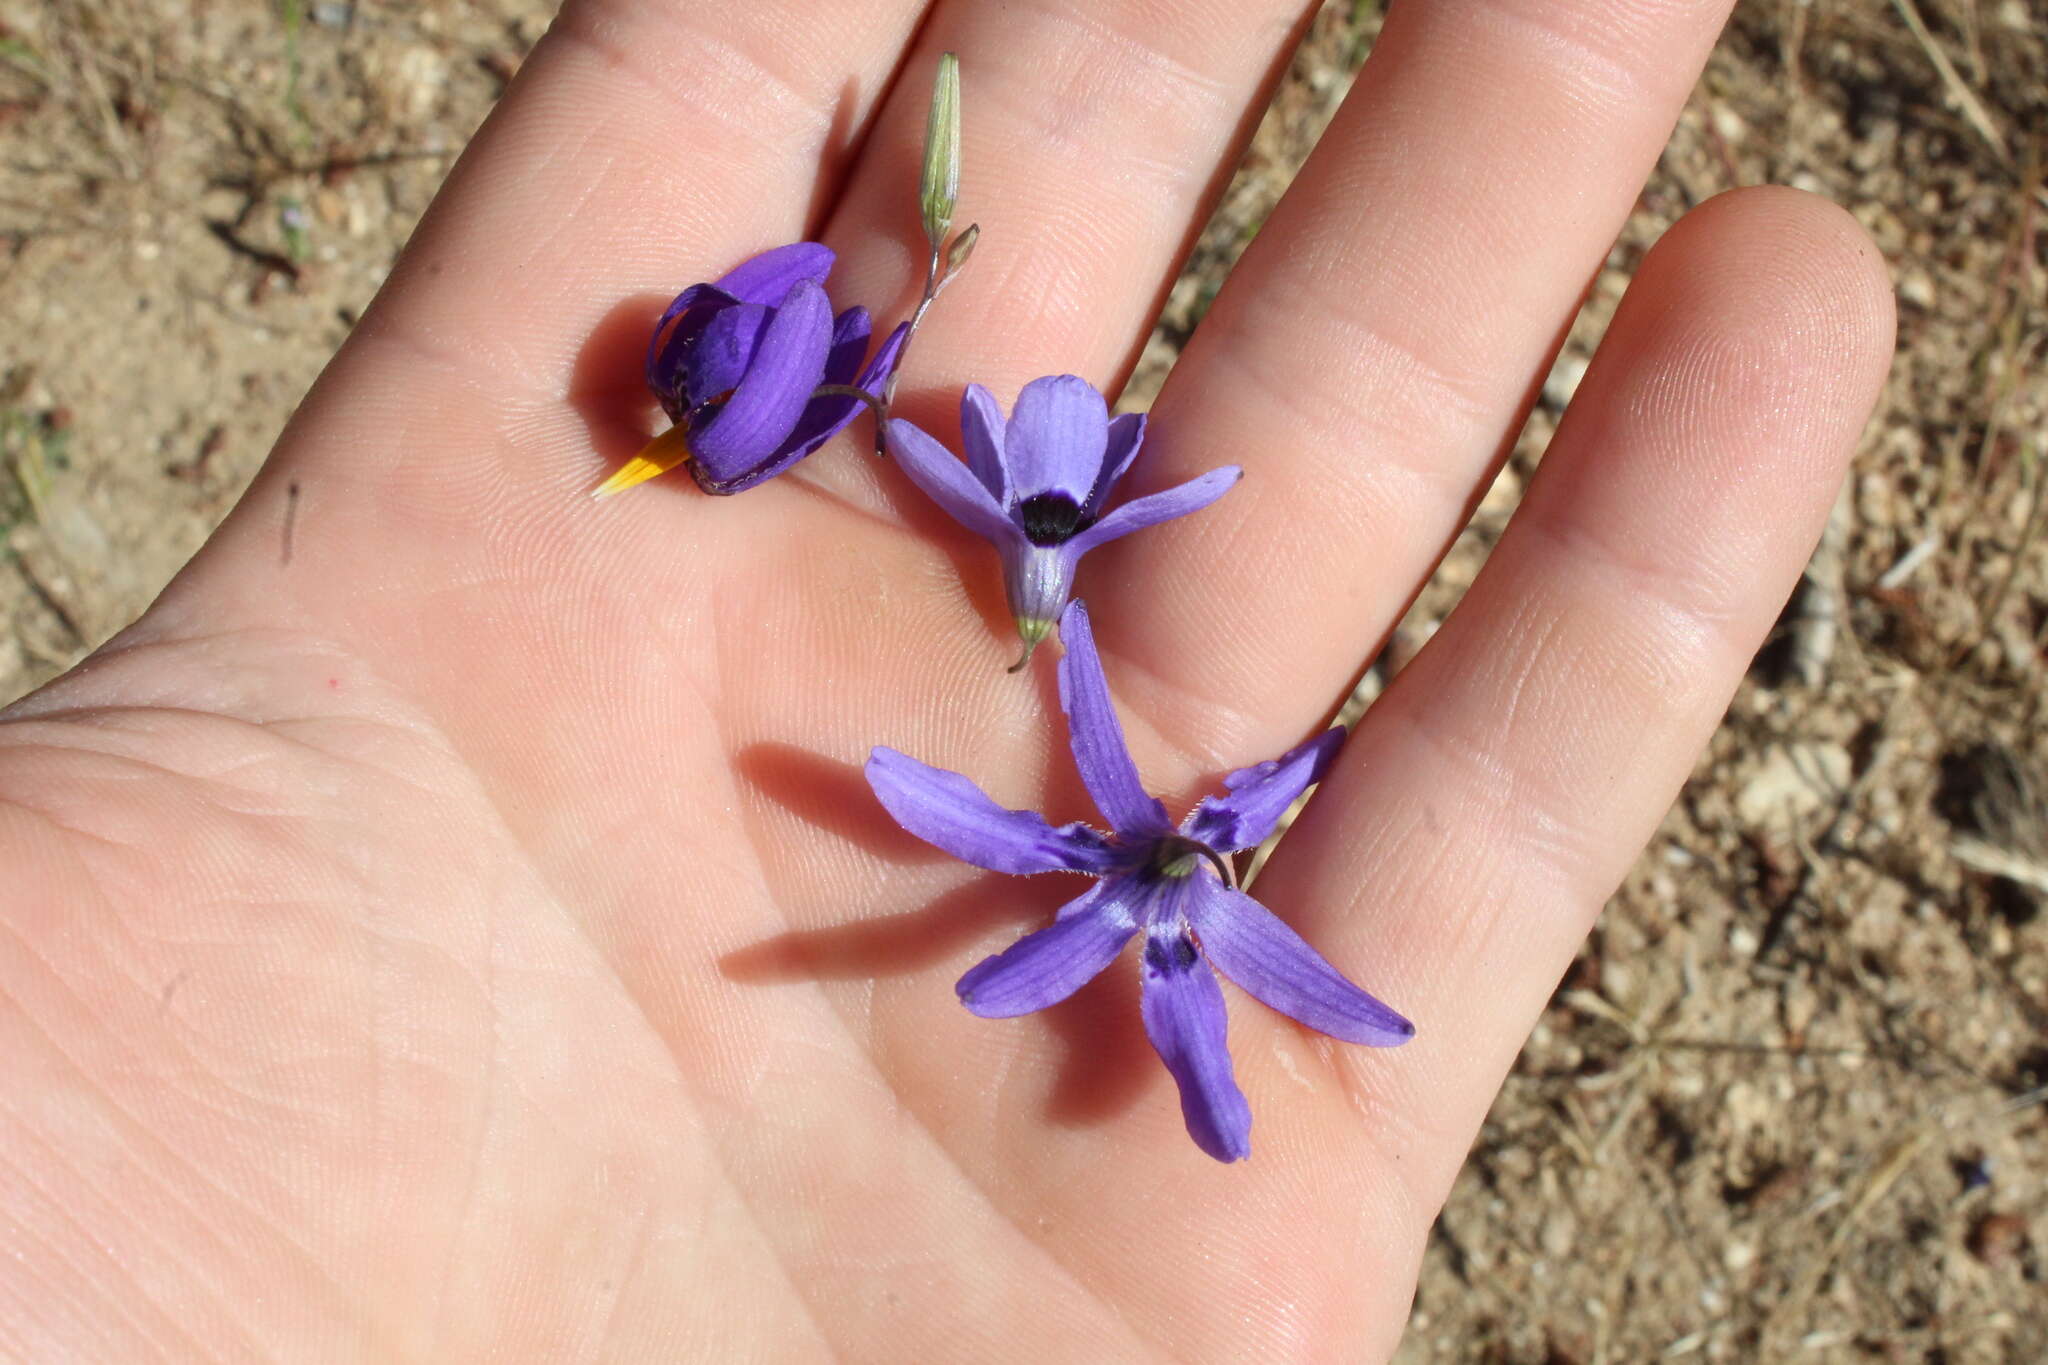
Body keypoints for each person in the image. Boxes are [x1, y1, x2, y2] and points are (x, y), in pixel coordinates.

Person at [0, 0, 1893, 1357]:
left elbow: (1101, 850)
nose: (1190, 885)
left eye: (1189, 877)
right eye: (1196, 877)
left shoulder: (1139, 834)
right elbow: (1059, 803)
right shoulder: (1100, 767)